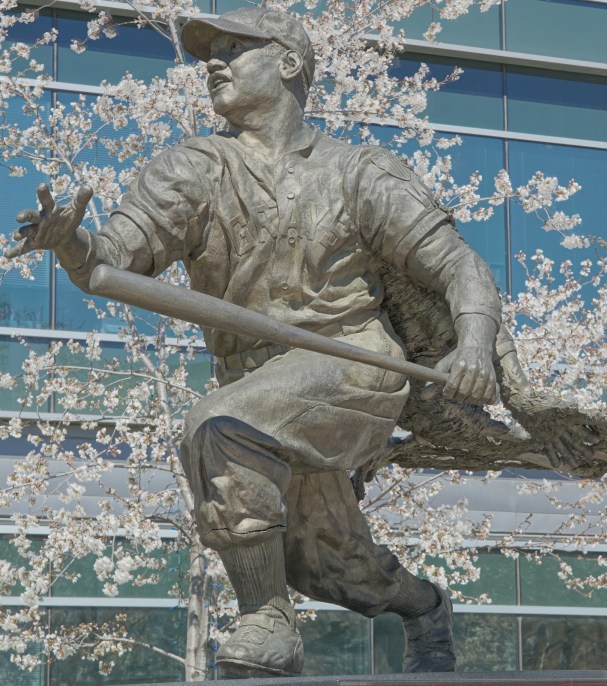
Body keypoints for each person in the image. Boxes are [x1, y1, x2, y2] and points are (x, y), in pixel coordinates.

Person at [7, 8, 506, 678]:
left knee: (220, 423)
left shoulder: (358, 173)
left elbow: (459, 266)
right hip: (263, 383)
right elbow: (119, 254)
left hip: (352, 365)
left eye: (236, 48)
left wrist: (474, 346)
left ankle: (268, 623)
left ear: (291, 64)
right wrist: (74, 243)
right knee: (332, 567)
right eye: (210, 53)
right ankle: (424, 608)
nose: (214, 62)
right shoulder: (193, 169)